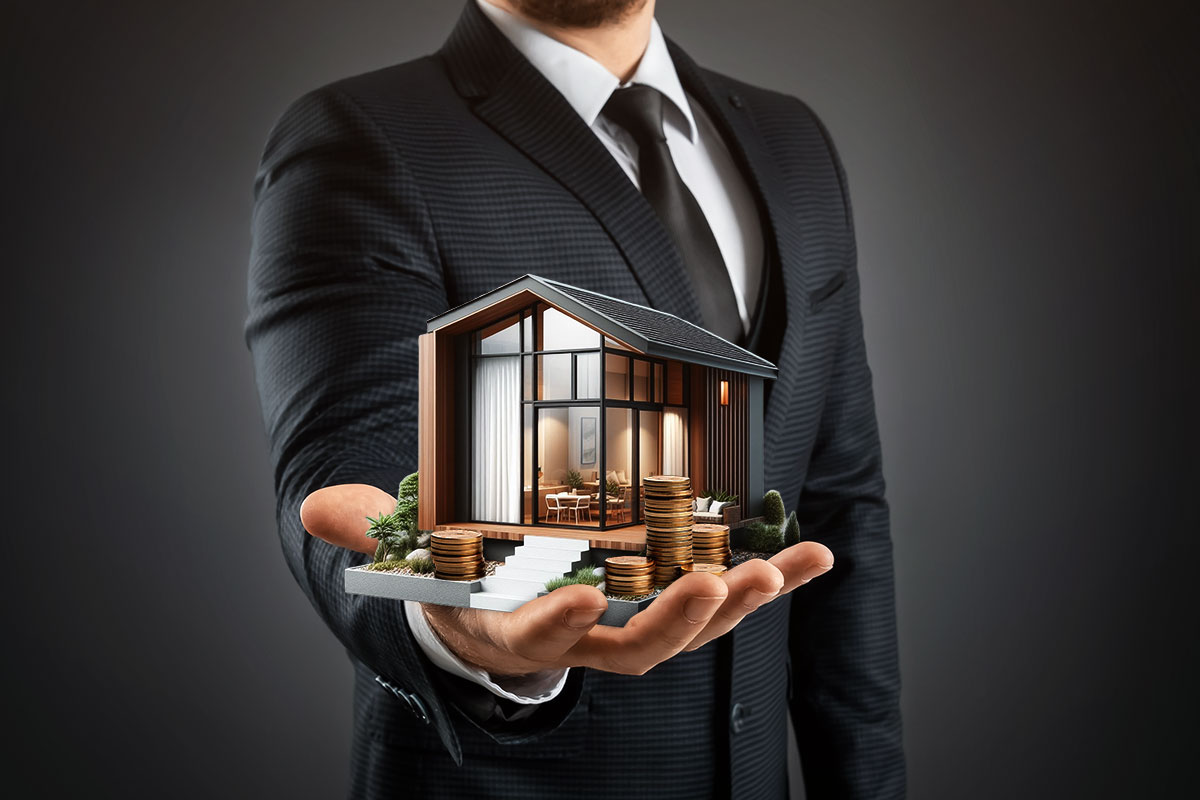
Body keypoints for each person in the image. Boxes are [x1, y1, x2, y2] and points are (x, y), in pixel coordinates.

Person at [246, 0, 904, 797]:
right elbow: (351, 463)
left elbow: (841, 504)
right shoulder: (364, 136)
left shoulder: (792, 138)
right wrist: (455, 622)